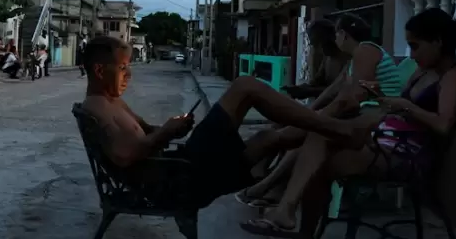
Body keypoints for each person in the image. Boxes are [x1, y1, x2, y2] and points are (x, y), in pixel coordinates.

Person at [241, 8, 456, 239]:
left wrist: (404, 106)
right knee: (319, 135)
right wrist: (386, 100)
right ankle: (286, 211)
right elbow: (350, 92)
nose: (412, 54)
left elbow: (443, 125)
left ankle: (295, 228)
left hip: (406, 154)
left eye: (416, 46)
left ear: (438, 42)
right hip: (384, 137)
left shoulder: (453, 76)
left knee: (318, 158)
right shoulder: (423, 72)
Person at [80, 36, 370, 209]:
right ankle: (341, 127)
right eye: (122, 68)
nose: (128, 74)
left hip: (181, 171)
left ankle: (336, 128)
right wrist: (166, 133)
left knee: (268, 139)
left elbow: (147, 135)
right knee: (245, 87)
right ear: (98, 69)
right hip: (178, 180)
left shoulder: (112, 102)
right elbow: (125, 155)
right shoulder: (97, 108)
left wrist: (171, 129)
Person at [237, 14, 402, 205]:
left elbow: (352, 98)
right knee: (294, 127)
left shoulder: (365, 50)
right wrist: (310, 112)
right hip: (361, 118)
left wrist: (315, 116)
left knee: (303, 134)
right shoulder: (353, 58)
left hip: (373, 122)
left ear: (342, 34)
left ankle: (267, 183)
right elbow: (335, 89)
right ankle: (265, 181)